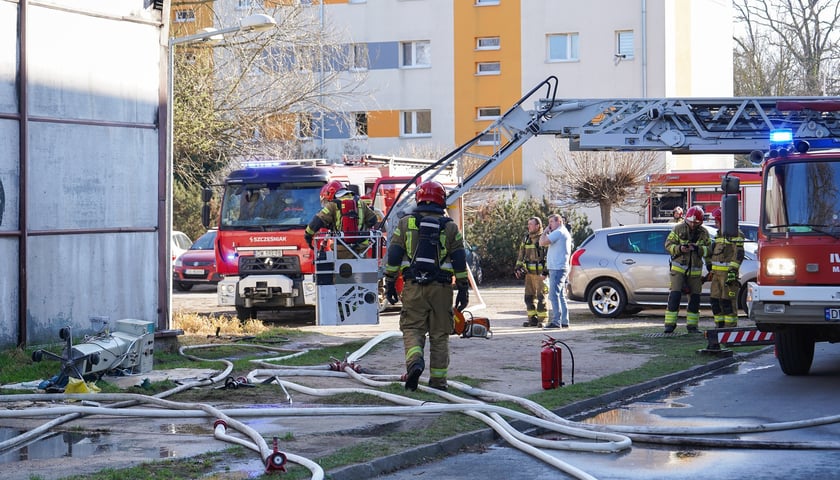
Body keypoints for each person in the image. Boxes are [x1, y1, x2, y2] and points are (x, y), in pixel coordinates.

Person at [383, 180, 469, 391]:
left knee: (413, 328)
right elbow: (459, 259)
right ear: (442, 200)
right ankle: (439, 383)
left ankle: (415, 362)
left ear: (419, 199)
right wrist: (463, 288)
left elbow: (394, 254)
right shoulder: (450, 227)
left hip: (413, 288)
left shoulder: (405, 224)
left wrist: (390, 282)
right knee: (440, 335)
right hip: (442, 290)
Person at [663, 205, 711, 333]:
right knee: (675, 296)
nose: (693, 225)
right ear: (686, 219)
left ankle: (692, 326)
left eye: (696, 222)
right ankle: (669, 326)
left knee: (695, 299)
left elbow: (709, 251)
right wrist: (679, 248)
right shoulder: (678, 229)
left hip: (695, 271)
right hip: (678, 270)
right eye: (691, 222)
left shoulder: (704, 233)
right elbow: (668, 245)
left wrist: (698, 249)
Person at [304, 180, 378, 258]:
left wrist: (308, 235)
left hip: (342, 250)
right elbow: (373, 220)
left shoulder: (333, 205)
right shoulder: (360, 202)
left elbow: (317, 221)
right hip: (362, 250)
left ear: (330, 194)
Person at [708, 208, 745, 328]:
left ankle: (730, 328)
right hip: (716, 276)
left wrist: (733, 271)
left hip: (728, 276)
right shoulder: (718, 234)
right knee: (715, 301)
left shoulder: (735, 234)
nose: (715, 224)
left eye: (716, 221)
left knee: (727, 302)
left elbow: (739, 253)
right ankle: (719, 326)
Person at [540, 213, 572, 329]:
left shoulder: (558, 232)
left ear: (559, 221)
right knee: (560, 295)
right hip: (559, 267)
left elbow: (542, 242)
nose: (550, 225)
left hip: (557, 268)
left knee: (554, 295)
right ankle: (564, 321)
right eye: (549, 223)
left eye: (551, 222)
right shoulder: (561, 232)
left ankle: (556, 321)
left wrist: (544, 232)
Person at [516, 217, 548, 327]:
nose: (528, 226)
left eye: (531, 224)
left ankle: (542, 320)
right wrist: (517, 267)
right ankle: (532, 320)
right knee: (528, 297)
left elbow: (548, 256)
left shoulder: (544, 238)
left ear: (537, 226)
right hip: (529, 274)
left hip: (540, 274)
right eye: (528, 224)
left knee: (541, 297)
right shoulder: (526, 238)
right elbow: (521, 254)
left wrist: (546, 272)